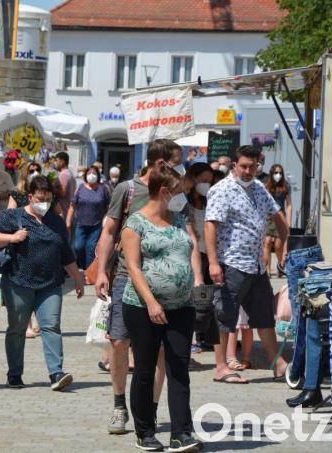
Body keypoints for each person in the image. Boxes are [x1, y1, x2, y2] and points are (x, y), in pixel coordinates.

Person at [93, 139, 177, 434]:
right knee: (119, 341)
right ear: (159, 163)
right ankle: (119, 406)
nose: (178, 169)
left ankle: (149, 411)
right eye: (173, 162)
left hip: (163, 279)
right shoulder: (127, 190)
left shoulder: (176, 190)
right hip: (127, 277)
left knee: (159, 351)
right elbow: (108, 230)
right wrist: (102, 270)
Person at [120, 166, 204, 452]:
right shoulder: (136, 223)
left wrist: (197, 285)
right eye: (180, 191)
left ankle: (182, 432)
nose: (185, 196)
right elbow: (133, 267)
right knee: (144, 369)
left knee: (179, 367)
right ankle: (145, 431)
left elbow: (189, 251)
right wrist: (152, 302)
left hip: (182, 306)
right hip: (143, 307)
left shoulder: (180, 219)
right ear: (165, 192)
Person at [0, 176, 85, 391]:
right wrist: (12, 238)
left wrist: (78, 278)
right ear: (30, 197)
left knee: (51, 326)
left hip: (50, 284)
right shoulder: (13, 216)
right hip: (18, 282)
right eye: (40, 198)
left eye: (48, 199)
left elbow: (66, 253)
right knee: (17, 328)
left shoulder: (55, 221)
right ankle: (14, 373)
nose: (44, 203)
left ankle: (56, 372)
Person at [205, 145, 290, 385]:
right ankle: (221, 367)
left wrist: (284, 248)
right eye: (243, 166)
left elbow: (278, 215)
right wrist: (213, 263)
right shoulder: (222, 190)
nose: (247, 170)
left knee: (264, 317)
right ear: (234, 165)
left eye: (252, 166)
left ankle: (278, 364)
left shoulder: (259, 187)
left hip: (257, 266)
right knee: (225, 316)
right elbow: (210, 226)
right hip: (231, 263)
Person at [185, 163, 243, 383]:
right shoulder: (184, 202)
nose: (206, 185)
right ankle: (188, 349)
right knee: (193, 304)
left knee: (209, 305)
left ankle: (207, 348)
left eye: (210, 181)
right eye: (203, 180)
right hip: (191, 256)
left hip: (210, 256)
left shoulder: (211, 200)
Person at [8, 160, 45, 338]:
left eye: (38, 169)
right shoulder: (17, 193)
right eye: (32, 170)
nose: (35, 172)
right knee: (26, 284)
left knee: (41, 282)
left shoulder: (45, 192)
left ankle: (39, 319)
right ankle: (27, 323)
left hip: (43, 242)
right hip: (23, 242)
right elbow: (9, 215)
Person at [67, 165, 111, 270]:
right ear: (86, 175)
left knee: (90, 248)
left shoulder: (103, 188)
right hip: (81, 224)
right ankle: (83, 266)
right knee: (78, 247)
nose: (91, 175)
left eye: (94, 173)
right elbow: (73, 206)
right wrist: (68, 221)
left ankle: (89, 271)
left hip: (97, 224)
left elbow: (109, 206)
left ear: (98, 175)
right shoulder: (81, 188)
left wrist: (107, 219)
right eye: (89, 173)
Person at [263, 164, 292, 277]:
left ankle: (281, 266)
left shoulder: (286, 186)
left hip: (281, 217)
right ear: (271, 173)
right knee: (267, 242)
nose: (278, 175)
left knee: (279, 245)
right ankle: (267, 270)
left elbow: (289, 205)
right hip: (268, 217)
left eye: (280, 172)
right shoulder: (266, 185)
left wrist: (288, 221)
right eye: (275, 173)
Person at [53, 152, 76, 218]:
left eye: (56, 160)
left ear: (62, 161)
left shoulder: (64, 174)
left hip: (63, 211)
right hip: (67, 211)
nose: (55, 163)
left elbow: (63, 193)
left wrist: (51, 187)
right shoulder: (69, 173)